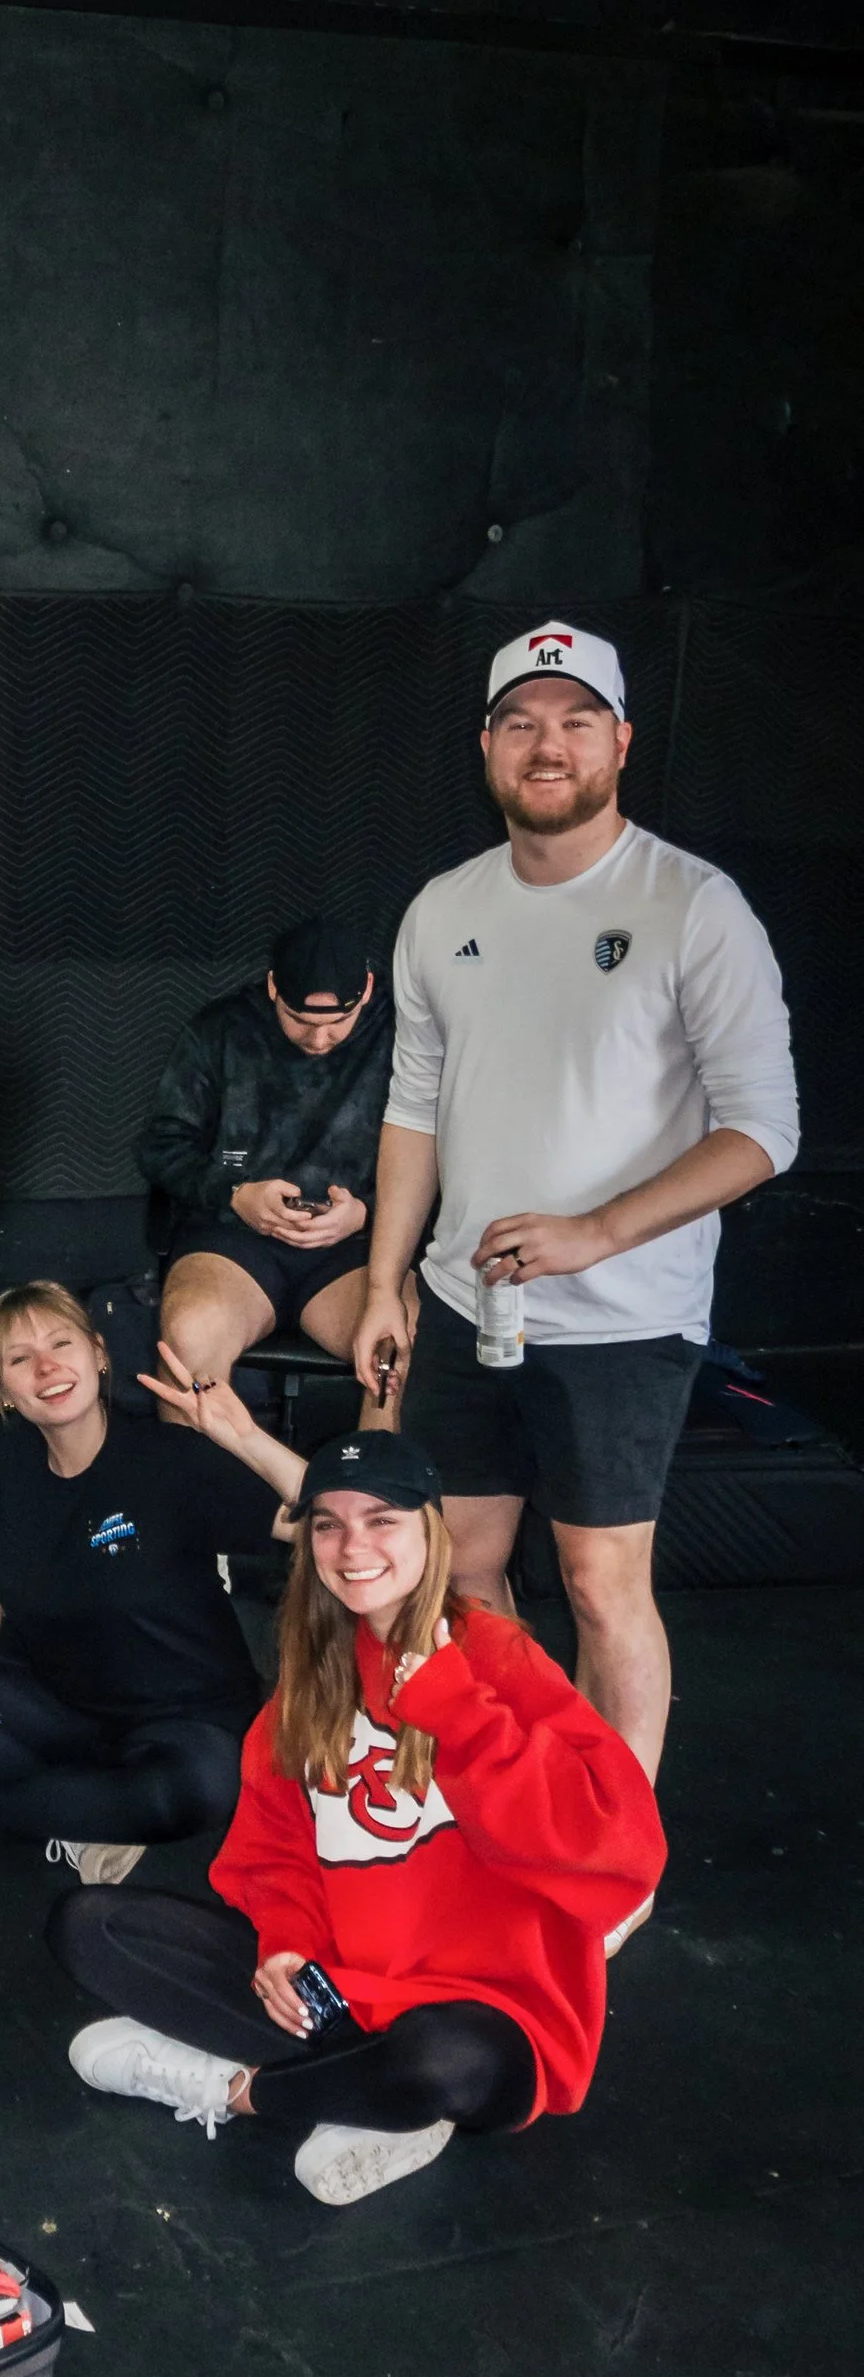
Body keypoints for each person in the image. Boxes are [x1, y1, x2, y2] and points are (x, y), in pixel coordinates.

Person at [352, 620, 799, 1783]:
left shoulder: (693, 906)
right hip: (461, 1307)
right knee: (465, 1566)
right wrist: (388, 1281)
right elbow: (414, 1104)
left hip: (623, 1318)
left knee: (603, 1588)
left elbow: (764, 1129)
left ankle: (614, 1838)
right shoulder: (441, 909)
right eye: (521, 724)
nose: (546, 746)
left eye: (574, 722)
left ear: (619, 743)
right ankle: (515, 1784)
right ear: (487, 747)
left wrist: (593, 1232)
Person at [55, 1428, 666, 2207]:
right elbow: (273, 1853)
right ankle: (363, 2101)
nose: (353, 1545)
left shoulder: (495, 1657)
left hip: (482, 2016)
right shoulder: (310, 1683)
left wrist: (460, 1714)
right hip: (346, 1994)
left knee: (442, 2063)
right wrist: (285, 1948)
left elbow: (617, 1849)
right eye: (329, 1524)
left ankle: (242, 2090)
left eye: (382, 1520)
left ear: (430, 1533)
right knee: (89, 1924)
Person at [0, 1282, 304, 1884]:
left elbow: (339, 1516)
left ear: (99, 1354)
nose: (47, 1367)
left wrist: (246, 1441)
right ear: (4, 1390)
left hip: (187, 1724)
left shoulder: (168, 1457)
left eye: (62, 1344)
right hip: (60, 1712)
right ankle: (72, 1811)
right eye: (19, 1358)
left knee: (191, 1795)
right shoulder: (3, 1464)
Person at [140, 913, 401, 1419]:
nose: (319, 1040)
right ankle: (192, 1492)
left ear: (367, 990)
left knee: (396, 1351)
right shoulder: (222, 1029)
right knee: (189, 1339)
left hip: (356, 1249)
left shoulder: (406, 1033)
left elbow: (445, 1163)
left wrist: (366, 1213)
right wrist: (235, 1193)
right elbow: (161, 1147)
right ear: (274, 987)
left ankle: (369, 1496)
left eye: (335, 1024)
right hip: (233, 1243)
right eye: (301, 1021)